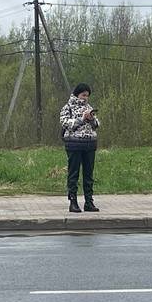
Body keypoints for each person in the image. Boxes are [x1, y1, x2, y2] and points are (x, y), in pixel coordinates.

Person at [59, 83, 100, 213]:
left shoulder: (89, 107)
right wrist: (82, 119)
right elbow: (66, 123)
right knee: (74, 173)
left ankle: (89, 202)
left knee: (89, 174)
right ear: (77, 94)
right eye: (83, 95)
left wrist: (92, 119)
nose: (85, 98)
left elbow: (97, 124)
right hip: (74, 144)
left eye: (87, 95)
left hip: (90, 145)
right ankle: (73, 202)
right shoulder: (68, 108)